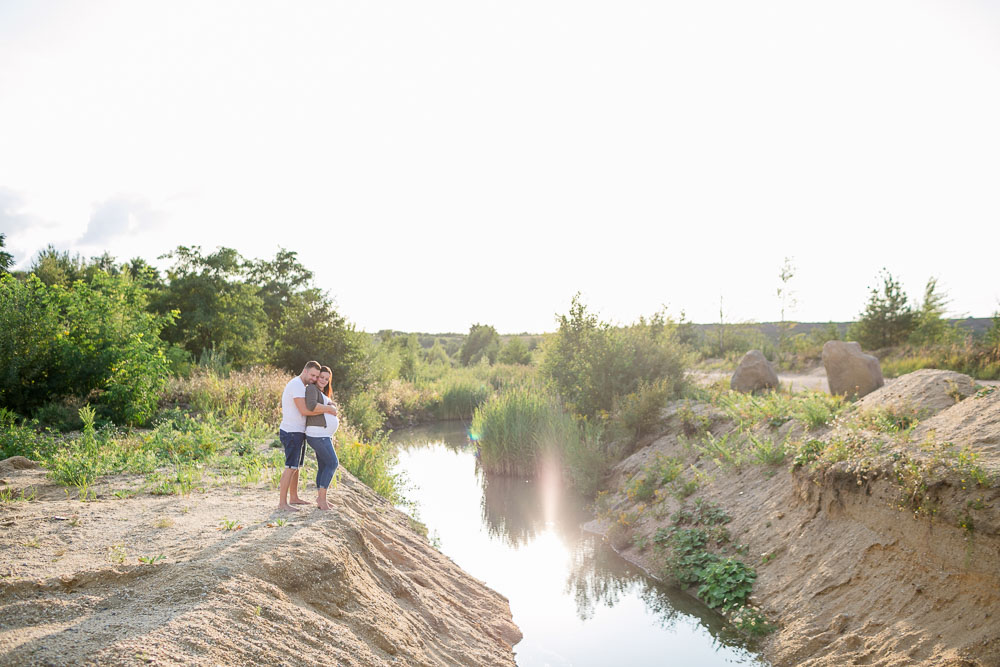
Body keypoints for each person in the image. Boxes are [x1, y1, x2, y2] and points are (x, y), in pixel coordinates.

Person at [278, 361, 336, 511]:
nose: (314, 378)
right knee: (290, 467)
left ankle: (294, 497)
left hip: (299, 431)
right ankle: (282, 504)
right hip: (291, 431)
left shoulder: (302, 386)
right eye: (313, 375)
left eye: (316, 376)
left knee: (296, 467)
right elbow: (305, 410)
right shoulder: (297, 385)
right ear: (304, 370)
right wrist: (328, 409)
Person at [305, 366, 340, 510]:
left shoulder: (320, 392)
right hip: (318, 434)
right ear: (317, 376)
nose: (324, 381)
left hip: (324, 434)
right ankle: (322, 499)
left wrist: (330, 404)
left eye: (327, 379)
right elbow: (312, 406)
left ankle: (321, 499)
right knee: (332, 463)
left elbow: (322, 406)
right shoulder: (312, 389)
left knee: (324, 465)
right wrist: (330, 408)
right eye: (322, 377)